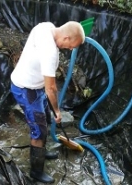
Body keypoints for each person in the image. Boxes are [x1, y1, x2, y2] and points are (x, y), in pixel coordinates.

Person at [10, 21, 85, 183]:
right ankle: (36, 171)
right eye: (72, 45)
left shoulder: (46, 26)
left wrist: (52, 111)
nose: (71, 49)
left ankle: (41, 151)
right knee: (39, 130)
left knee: (45, 119)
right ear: (66, 37)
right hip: (26, 89)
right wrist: (58, 111)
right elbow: (51, 88)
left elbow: (47, 86)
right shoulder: (50, 52)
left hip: (35, 85)